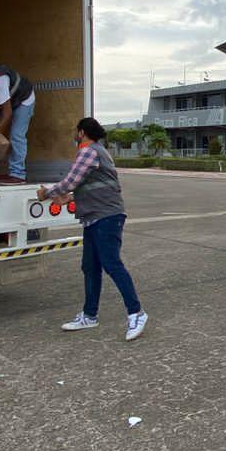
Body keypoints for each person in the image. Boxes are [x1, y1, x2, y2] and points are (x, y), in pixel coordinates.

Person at [44, 117, 148, 342]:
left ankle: (137, 313)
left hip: (106, 217)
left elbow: (70, 181)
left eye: (76, 131)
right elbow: (84, 186)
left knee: (112, 264)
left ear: (82, 132)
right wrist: (69, 198)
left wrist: (48, 192)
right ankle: (90, 315)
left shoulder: (88, 151)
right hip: (95, 218)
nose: (75, 135)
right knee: (90, 267)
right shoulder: (98, 151)